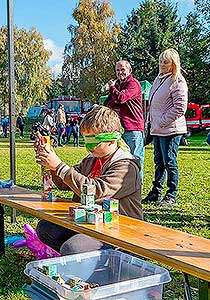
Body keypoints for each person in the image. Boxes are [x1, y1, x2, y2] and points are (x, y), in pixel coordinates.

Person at [35, 105, 142, 255]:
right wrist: (49, 161)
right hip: (92, 223)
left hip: (119, 231)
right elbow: (64, 184)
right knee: (46, 228)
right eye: (86, 140)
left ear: (112, 139)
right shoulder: (92, 160)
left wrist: (58, 165)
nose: (89, 147)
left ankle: (106, 263)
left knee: (73, 248)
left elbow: (95, 191)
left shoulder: (126, 167)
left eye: (94, 142)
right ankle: (80, 261)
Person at [143, 49, 188, 207]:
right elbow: (153, 104)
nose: (162, 64)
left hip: (171, 129)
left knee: (169, 161)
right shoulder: (159, 79)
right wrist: (150, 123)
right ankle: (156, 191)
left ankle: (171, 194)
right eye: (161, 61)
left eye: (166, 62)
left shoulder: (178, 81)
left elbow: (180, 107)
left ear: (173, 64)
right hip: (157, 129)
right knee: (159, 162)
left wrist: (161, 121)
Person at [104, 60, 145, 181]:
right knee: (120, 160)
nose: (120, 72)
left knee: (135, 160)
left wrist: (112, 88)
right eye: (117, 70)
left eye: (122, 69)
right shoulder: (117, 86)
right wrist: (114, 93)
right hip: (119, 129)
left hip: (133, 128)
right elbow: (108, 103)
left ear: (129, 70)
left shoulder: (133, 84)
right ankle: (123, 188)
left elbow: (121, 98)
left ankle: (137, 189)